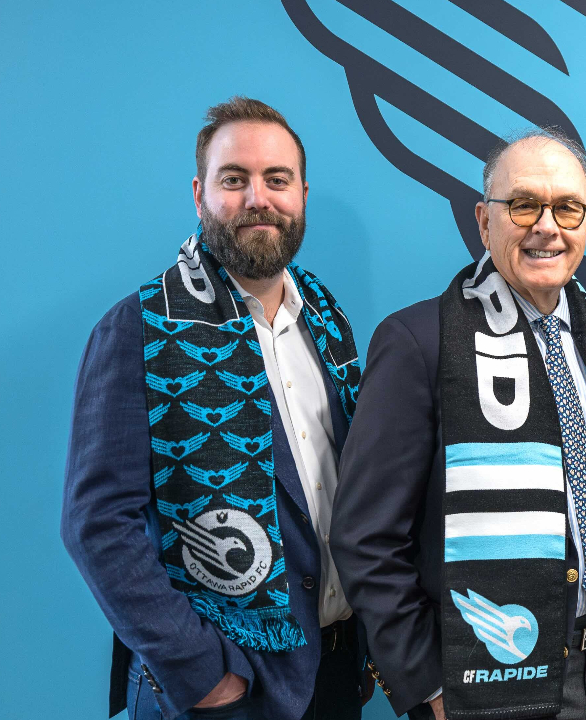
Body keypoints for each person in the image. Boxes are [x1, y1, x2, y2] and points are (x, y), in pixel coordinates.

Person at [61, 97, 372, 720]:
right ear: (201, 193)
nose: (258, 198)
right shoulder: (140, 327)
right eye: (235, 179)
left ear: (302, 193)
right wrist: (204, 676)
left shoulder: (326, 320)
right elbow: (97, 525)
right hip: (227, 689)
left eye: (276, 179)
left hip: (335, 672)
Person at [332, 128, 586, 720]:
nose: (547, 226)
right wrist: (428, 685)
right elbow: (363, 537)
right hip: (481, 686)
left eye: (568, 208)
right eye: (523, 204)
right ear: (483, 220)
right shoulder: (421, 342)